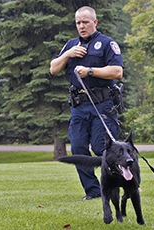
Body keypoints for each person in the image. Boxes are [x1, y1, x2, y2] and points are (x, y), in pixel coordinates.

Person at [50, 6, 124, 201]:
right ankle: (93, 191)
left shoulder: (107, 43)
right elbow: (53, 69)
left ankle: (124, 182)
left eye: (85, 22)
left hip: (103, 104)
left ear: (95, 22)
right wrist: (67, 55)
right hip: (79, 106)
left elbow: (117, 71)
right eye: (78, 23)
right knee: (78, 147)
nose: (81, 26)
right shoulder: (71, 45)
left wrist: (90, 71)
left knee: (103, 149)